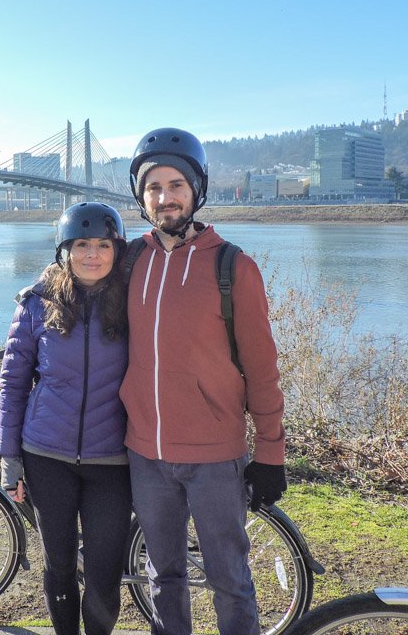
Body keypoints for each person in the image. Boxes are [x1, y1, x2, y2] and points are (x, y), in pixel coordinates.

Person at [119, 127, 287, 635]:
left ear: (196, 190)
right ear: (140, 195)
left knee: (230, 579)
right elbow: (74, 276)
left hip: (215, 456)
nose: (164, 197)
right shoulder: (129, 261)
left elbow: (262, 370)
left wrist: (270, 454)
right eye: (153, 187)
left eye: (175, 185)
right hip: (145, 454)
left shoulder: (232, 266)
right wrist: (34, 295)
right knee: (162, 575)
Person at [0, 201, 132, 635]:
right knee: (57, 565)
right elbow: (13, 383)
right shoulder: (38, 304)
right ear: (64, 250)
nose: (92, 254)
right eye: (81, 245)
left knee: (104, 572)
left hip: (113, 460)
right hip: (46, 456)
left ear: (117, 249)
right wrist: (8, 457)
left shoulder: (137, 303)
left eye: (102, 245)